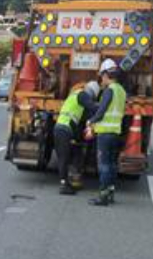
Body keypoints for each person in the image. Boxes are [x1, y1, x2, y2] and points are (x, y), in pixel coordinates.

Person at [86, 58, 127, 206]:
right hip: (115, 132)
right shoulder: (121, 91)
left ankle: (103, 197)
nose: (101, 79)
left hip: (105, 134)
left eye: (101, 76)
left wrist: (91, 121)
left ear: (105, 74)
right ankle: (110, 193)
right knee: (111, 164)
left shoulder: (109, 90)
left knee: (103, 165)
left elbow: (102, 111)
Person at [54, 80, 100, 195]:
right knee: (63, 158)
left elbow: (82, 117)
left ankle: (69, 181)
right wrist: (105, 105)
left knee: (71, 154)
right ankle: (64, 185)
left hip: (63, 129)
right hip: (63, 129)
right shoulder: (82, 94)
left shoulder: (74, 95)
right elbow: (93, 107)